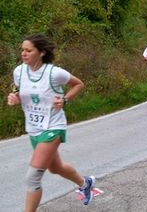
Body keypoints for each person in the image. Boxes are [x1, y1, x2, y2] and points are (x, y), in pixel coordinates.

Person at [7, 34, 94, 212]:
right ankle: (85, 183)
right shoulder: (19, 71)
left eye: (28, 50)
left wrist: (65, 100)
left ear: (41, 52)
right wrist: (14, 97)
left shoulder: (54, 73)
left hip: (53, 126)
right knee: (56, 168)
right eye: (22, 50)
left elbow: (78, 84)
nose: (23, 53)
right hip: (33, 128)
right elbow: (16, 88)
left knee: (32, 178)